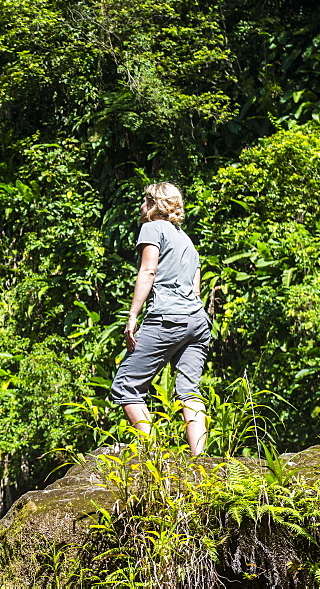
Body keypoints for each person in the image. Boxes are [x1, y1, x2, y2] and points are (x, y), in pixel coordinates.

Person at [110, 182, 212, 455]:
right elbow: (196, 288)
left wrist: (132, 317)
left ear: (155, 205)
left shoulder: (152, 228)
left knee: (127, 386)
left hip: (167, 318)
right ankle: (200, 462)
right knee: (189, 390)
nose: (141, 206)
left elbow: (148, 271)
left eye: (145, 200)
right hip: (198, 321)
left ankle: (152, 457)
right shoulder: (187, 241)